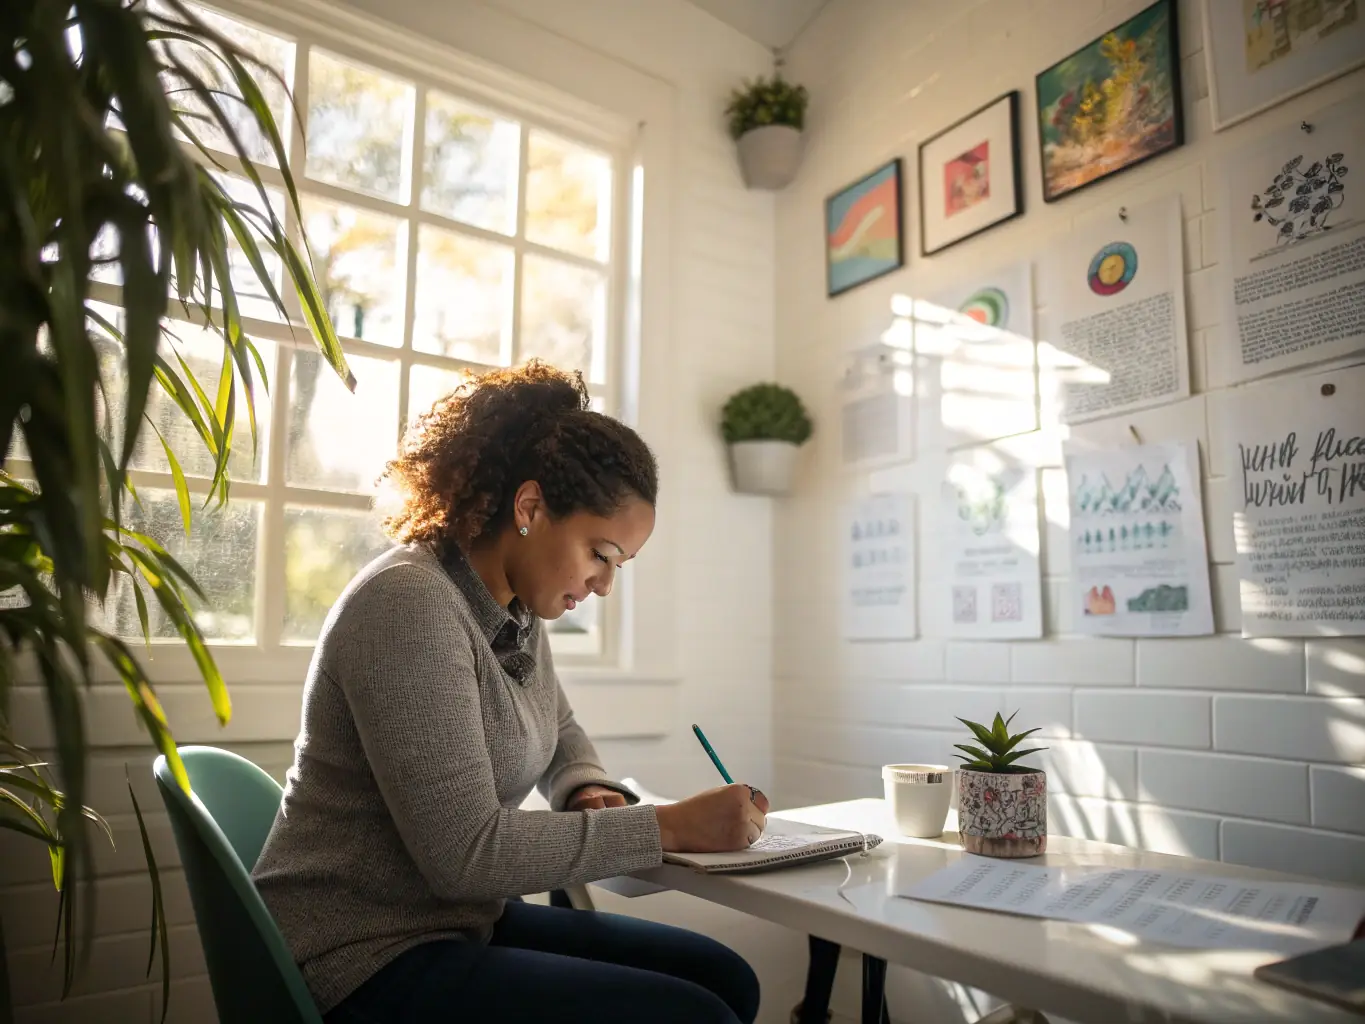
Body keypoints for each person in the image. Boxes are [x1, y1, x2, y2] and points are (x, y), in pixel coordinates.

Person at [254, 361, 767, 1024]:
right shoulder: (409, 606)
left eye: (619, 565)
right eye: (600, 554)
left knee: (725, 979)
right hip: (360, 953)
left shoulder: (513, 608)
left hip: (452, 925)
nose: (605, 584)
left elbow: (558, 725)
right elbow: (466, 857)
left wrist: (582, 785)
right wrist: (669, 825)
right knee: (699, 1015)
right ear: (529, 509)